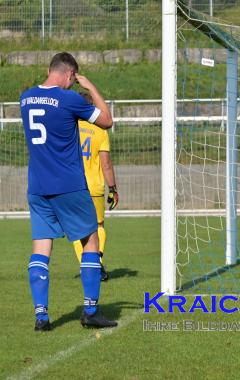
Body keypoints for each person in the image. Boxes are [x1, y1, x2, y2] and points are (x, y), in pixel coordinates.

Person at [20, 52, 118, 331]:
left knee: (41, 248)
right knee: (91, 241)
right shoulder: (70, 99)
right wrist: (91, 88)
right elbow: (107, 120)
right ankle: (90, 311)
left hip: (38, 187)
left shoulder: (26, 98)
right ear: (69, 74)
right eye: (73, 80)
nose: (73, 85)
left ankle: (41, 316)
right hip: (69, 186)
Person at [72, 93, 119, 282]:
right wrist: (113, 188)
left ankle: (87, 265)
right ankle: (97, 258)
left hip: (73, 186)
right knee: (98, 225)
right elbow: (106, 164)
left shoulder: (70, 127)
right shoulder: (100, 131)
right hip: (95, 187)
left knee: (76, 229)